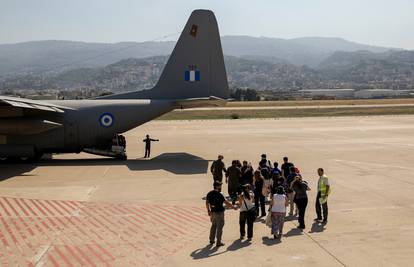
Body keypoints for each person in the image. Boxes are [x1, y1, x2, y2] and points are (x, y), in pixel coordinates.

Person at [206, 181, 236, 247]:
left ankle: (211, 240)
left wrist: (208, 210)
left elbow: (207, 202)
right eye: (220, 185)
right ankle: (218, 242)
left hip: (213, 212)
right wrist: (233, 207)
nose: (221, 186)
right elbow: (226, 202)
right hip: (220, 213)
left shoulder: (209, 193)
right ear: (217, 186)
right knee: (220, 227)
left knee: (213, 225)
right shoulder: (220, 194)